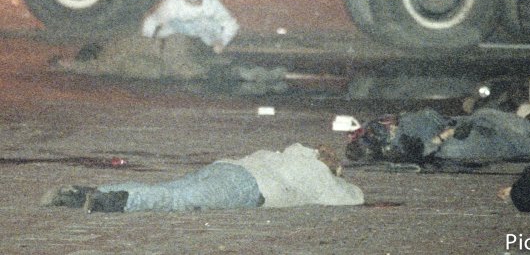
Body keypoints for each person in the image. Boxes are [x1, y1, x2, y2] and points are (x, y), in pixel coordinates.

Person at [42, 143, 363, 213]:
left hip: (227, 167)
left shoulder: (292, 153)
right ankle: (107, 201)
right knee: (179, 200)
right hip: (247, 186)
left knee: (170, 189)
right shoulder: (318, 174)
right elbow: (353, 197)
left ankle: (83, 192)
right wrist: (337, 175)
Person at [345, 107, 530, 164]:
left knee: (486, 117)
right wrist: (448, 133)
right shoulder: (394, 147)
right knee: (496, 134)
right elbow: (422, 150)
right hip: (455, 140)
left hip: (452, 125)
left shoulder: (376, 130)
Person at [142, 0, 239, 54]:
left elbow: (231, 24)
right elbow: (153, 20)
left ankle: (204, 51)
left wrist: (222, 41)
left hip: (205, 34)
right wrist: (148, 38)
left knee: (206, 24)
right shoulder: (173, 2)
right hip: (180, 31)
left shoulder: (211, 2)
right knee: (168, 29)